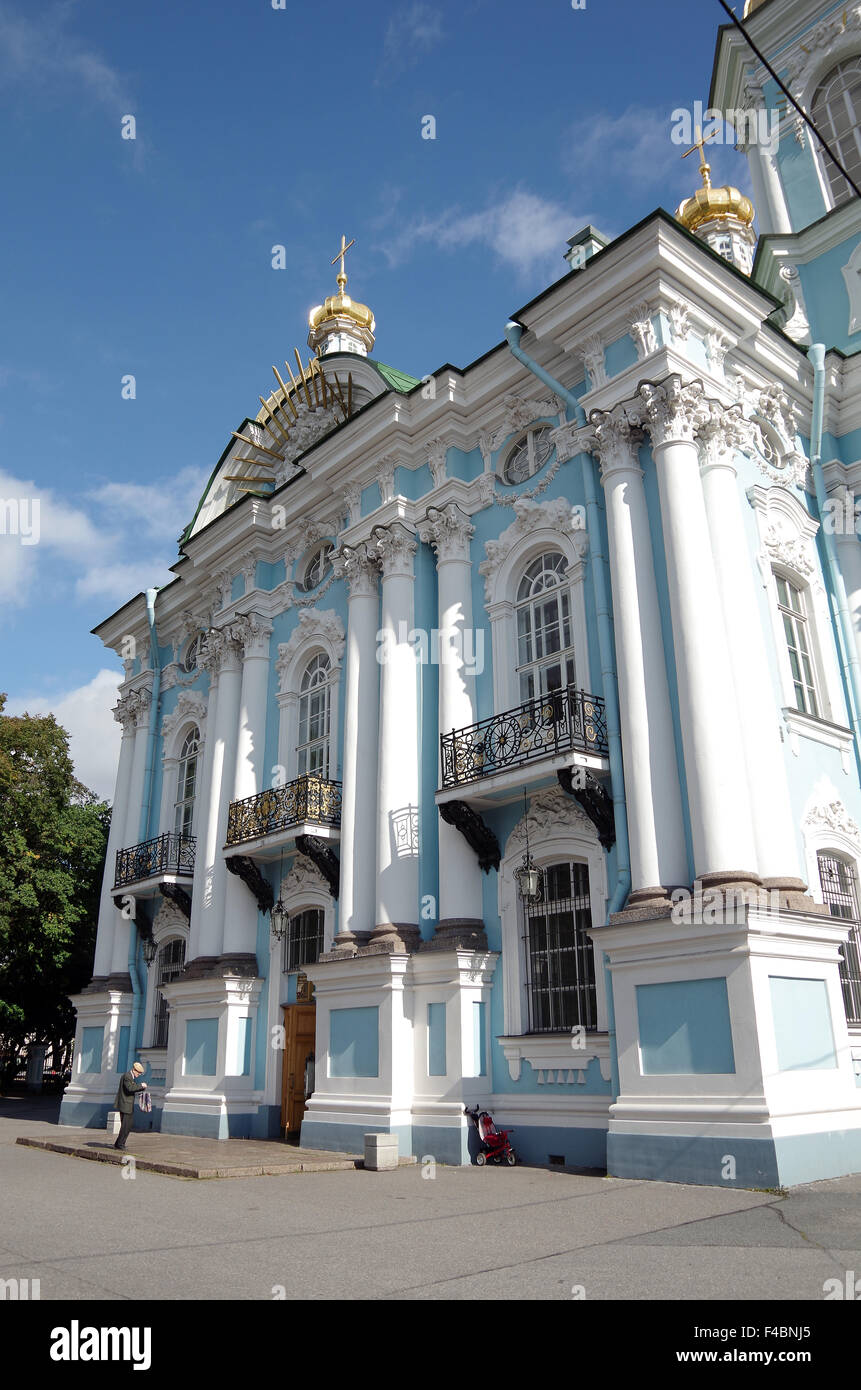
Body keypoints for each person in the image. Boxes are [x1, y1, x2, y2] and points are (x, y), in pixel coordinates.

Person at [113, 1061, 147, 1150]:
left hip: (127, 1105)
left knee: (127, 1125)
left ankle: (118, 1143)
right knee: (126, 1126)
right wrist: (141, 1085)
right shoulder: (127, 1076)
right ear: (134, 1070)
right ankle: (120, 1144)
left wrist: (140, 1087)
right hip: (125, 1105)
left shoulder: (130, 1077)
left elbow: (132, 1087)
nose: (139, 1075)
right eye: (139, 1073)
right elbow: (130, 1088)